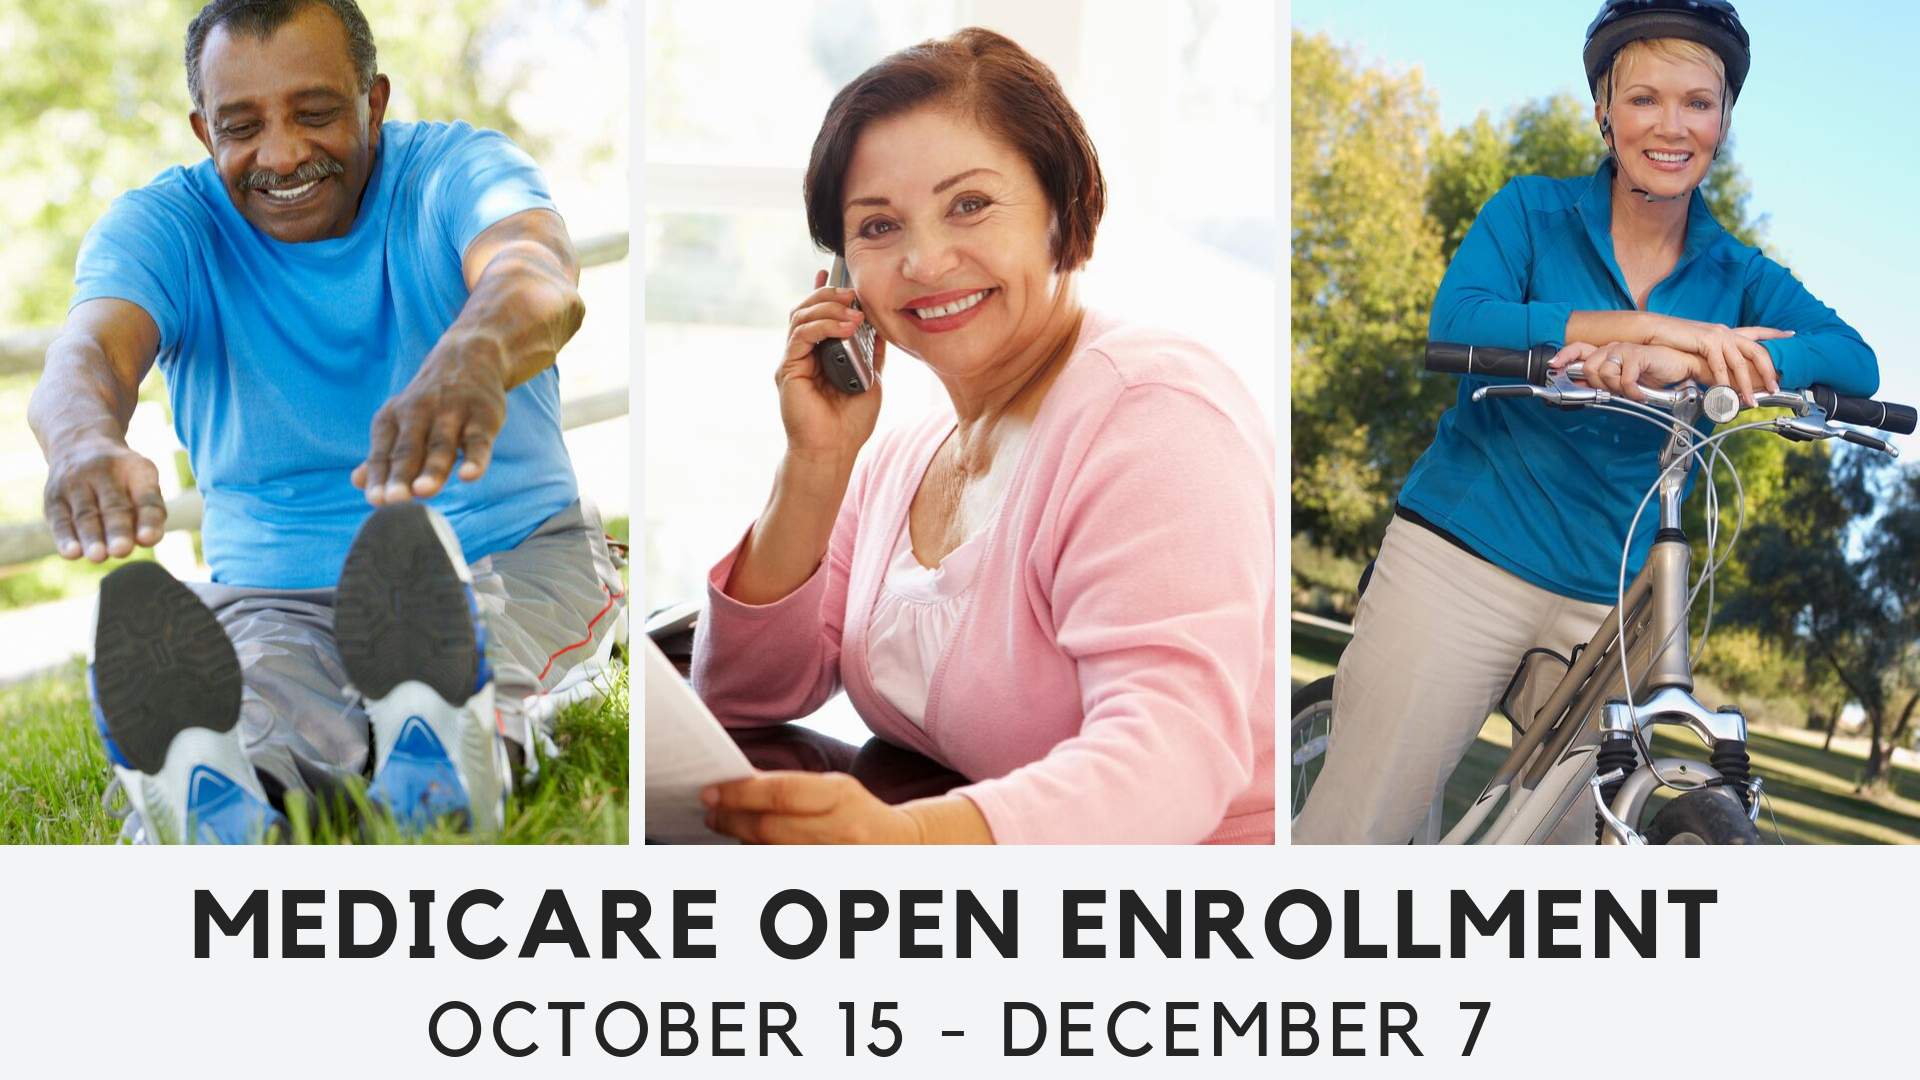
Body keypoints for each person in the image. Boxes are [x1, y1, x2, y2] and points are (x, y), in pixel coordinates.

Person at [27, 0, 626, 843]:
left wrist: (473, 355)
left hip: (507, 552)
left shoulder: (458, 170)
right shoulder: (165, 227)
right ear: (205, 133)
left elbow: (536, 274)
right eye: (243, 126)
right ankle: (220, 792)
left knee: (488, 653)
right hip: (272, 593)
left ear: (373, 101)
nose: (282, 153)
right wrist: (86, 439)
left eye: (314, 114)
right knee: (261, 693)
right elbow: (88, 353)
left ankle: (457, 743)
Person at [1293, 0, 1878, 844]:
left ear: (1724, 121)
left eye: (1698, 102)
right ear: (1604, 111)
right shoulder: (1531, 213)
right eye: (1643, 99)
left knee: (1579, 869)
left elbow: (1853, 359)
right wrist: (1652, 331)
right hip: (1465, 559)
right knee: (1360, 839)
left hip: (1613, 605)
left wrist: (1711, 362)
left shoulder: (1738, 273)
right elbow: (1462, 321)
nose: (1671, 126)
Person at [690, 28, 1275, 845]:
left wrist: (917, 846)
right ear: (842, 273)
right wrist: (816, 462)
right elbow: (738, 702)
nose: (926, 261)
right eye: (879, 227)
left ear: (1061, 209)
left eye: (969, 204)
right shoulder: (903, 452)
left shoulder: (1154, 412)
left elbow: (1172, 757)